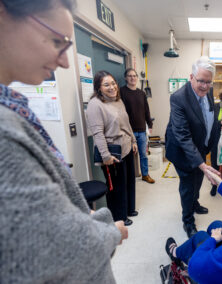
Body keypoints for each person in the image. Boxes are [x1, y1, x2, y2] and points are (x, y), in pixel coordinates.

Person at [0, 0, 128, 282]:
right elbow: (54, 248)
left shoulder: (11, 107)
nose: (65, 61)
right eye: (56, 40)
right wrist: (109, 231)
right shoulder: (4, 130)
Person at [165, 56, 220, 238]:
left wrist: (221, 124)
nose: (205, 86)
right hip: (183, 150)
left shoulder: (208, 92)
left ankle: (194, 203)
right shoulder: (178, 98)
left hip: (200, 146)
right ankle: (187, 220)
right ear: (191, 77)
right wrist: (202, 164)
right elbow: (182, 136)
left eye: (208, 82)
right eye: (201, 81)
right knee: (188, 185)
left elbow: (208, 117)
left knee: (198, 180)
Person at [87, 70, 138, 226]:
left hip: (127, 146)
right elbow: (98, 133)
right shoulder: (95, 104)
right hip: (112, 152)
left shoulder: (118, 100)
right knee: (116, 186)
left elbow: (126, 124)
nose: (112, 87)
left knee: (129, 181)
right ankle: (119, 217)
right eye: (106, 84)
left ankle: (129, 209)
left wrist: (134, 140)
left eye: (113, 83)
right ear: (98, 87)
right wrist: (106, 156)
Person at [120, 68, 155, 184]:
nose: (132, 78)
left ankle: (145, 174)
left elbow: (146, 110)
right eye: (130, 76)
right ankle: (130, 178)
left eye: (134, 76)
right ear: (126, 78)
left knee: (143, 155)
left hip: (141, 130)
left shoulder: (141, 93)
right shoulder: (121, 92)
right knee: (128, 156)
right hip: (128, 132)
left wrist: (149, 124)